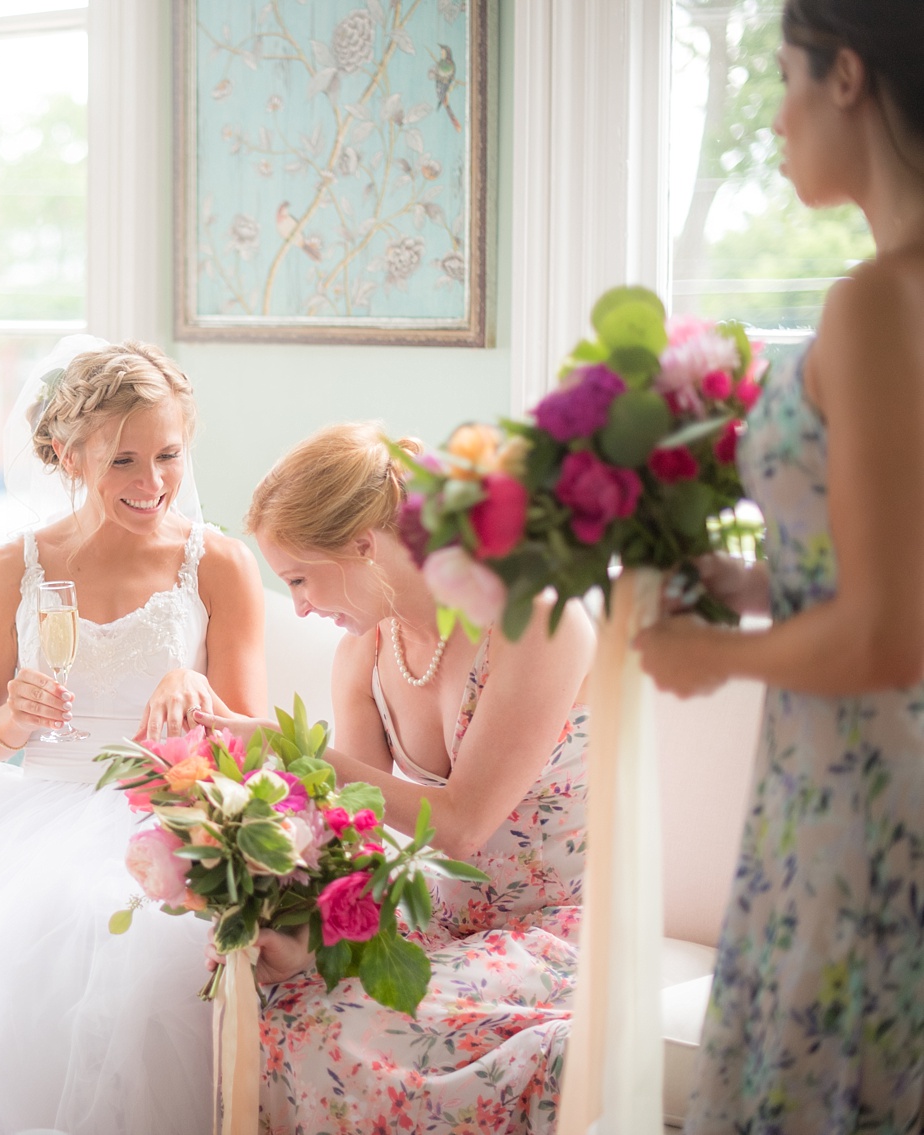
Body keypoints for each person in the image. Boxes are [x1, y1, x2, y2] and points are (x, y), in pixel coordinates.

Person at [0, 340, 268, 1134]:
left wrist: (198, 689)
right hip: (33, 812)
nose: (152, 483)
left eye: (169, 455)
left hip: (165, 815)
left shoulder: (216, 564)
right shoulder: (13, 568)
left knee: (138, 950)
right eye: (123, 461)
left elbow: (248, 745)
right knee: (0, 969)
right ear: (65, 455)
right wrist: (11, 718)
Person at [637, 2, 924, 1129]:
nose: (773, 114)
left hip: (859, 791)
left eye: (782, 77)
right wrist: (749, 581)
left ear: (846, 75)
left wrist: (704, 650)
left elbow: (883, 631)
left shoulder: (874, 304)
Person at [200, 422, 595, 1132]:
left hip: (562, 928)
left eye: (298, 578)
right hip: (438, 925)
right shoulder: (365, 655)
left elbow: (461, 827)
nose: (299, 607)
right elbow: (363, 842)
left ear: (364, 544)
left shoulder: (534, 621)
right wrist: (304, 940)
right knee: (278, 1005)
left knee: (341, 1029)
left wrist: (290, 751)